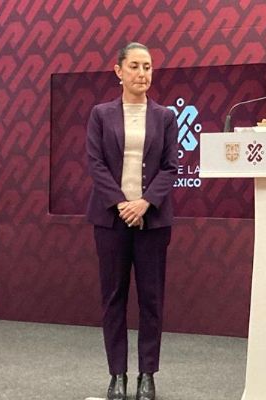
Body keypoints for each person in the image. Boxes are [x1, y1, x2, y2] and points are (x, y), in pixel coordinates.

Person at [86, 42, 179, 400]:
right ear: (119, 71)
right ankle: (117, 375)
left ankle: (147, 375)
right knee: (113, 298)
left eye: (148, 67)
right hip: (110, 220)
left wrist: (144, 203)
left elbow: (170, 167)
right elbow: (95, 164)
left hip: (152, 222)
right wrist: (123, 204)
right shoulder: (101, 114)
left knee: (151, 300)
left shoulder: (165, 117)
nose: (142, 74)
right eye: (135, 66)